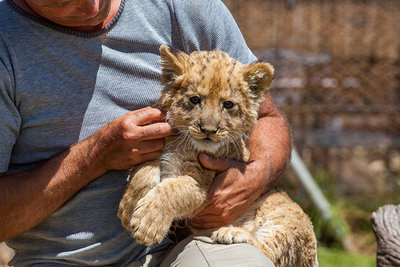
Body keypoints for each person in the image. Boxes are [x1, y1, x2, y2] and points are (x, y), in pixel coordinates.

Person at [0, 0, 291, 266]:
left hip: (180, 247)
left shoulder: (186, 7)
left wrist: (254, 175)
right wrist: (95, 156)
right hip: (58, 260)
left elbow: (266, 116)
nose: (90, 6)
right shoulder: (6, 43)